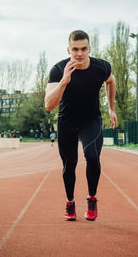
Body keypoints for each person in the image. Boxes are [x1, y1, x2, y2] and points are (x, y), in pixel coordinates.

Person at [45, 30, 117, 221]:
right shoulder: (58, 70)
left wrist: (111, 109)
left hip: (91, 120)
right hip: (67, 121)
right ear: (68, 49)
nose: (79, 53)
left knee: (93, 157)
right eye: (75, 49)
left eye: (83, 49)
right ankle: (70, 202)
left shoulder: (101, 67)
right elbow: (48, 105)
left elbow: (111, 81)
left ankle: (92, 198)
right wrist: (63, 82)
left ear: (89, 49)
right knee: (69, 165)